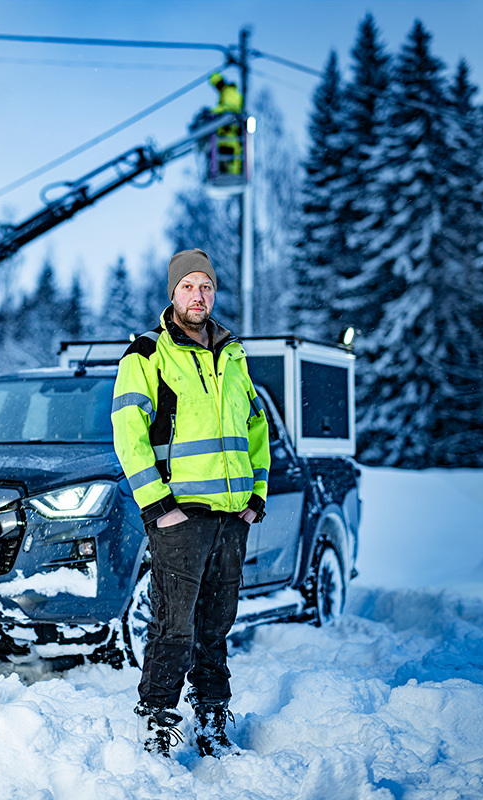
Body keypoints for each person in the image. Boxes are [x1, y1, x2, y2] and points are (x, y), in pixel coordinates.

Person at [111, 248, 270, 758]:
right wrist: (159, 506)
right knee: (173, 626)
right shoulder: (148, 354)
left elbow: (256, 427)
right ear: (173, 293)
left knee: (216, 626)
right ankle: (157, 722)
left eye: (206, 286)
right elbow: (128, 434)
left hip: (232, 516)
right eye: (188, 286)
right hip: (180, 515)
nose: (198, 296)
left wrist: (256, 496)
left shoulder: (233, 354)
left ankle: (212, 716)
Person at [209, 72, 244, 176]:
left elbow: (230, 108)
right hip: (225, 138)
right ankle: (224, 173)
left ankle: (233, 175)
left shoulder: (230, 92)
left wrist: (213, 112)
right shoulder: (224, 94)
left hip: (231, 137)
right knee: (223, 160)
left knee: (232, 160)